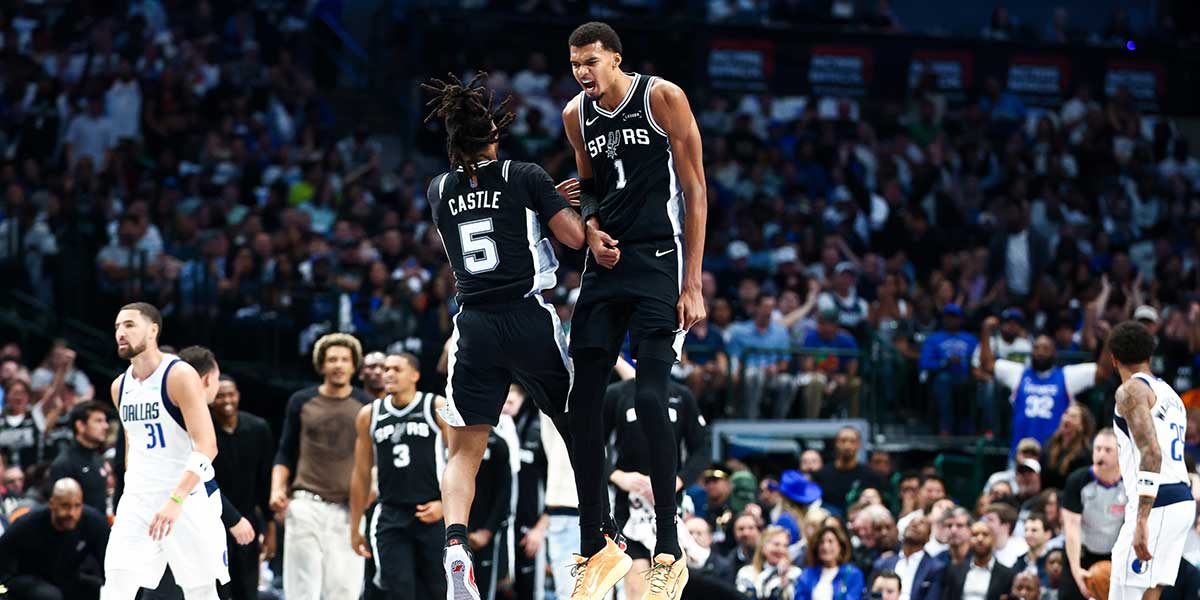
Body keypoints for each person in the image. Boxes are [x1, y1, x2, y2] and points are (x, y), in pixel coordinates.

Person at [419, 70, 591, 600]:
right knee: (576, 425)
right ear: (496, 136)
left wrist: (537, 205)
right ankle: (600, 536)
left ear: (453, 146)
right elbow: (575, 240)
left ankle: (454, 545)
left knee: (464, 453)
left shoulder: (439, 188)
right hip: (526, 315)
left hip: (472, 322)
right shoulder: (525, 174)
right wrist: (556, 204)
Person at [562, 20, 708, 599]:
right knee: (583, 404)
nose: (582, 73)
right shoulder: (576, 114)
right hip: (606, 263)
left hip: (658, 258)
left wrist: (692, 282)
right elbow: (591, 189)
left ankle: (669, 546)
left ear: (616, 59)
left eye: (591, 62)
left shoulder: (662, 97)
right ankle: (598, 544)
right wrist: (591, 230)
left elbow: (695, 188)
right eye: (575, 64)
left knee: (651, 395)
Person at [101, 302, 228, 599]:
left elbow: (207, 445)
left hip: (184, 499)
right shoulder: (119, 386)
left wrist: (175, 498)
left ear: (153, 330)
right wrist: (131, 493)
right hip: (138, 500)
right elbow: (133, 445)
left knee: (201, 591)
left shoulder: (179, 374)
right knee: (116, 584)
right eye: (118, 326)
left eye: (130, 325)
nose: (121, 332)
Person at [270, 333, 372, 600]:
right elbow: (285, 451)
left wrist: (371, 489)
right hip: (306, 504)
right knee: (301, 590)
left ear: (354, 365)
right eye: (332, 359)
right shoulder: (301, 401)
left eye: (344, 360)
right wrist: (277, 489)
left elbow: (375, 459)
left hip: (350, 510)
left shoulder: (367, 405)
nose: (338, 365)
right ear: (321, 365)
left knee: (345, 591)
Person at [349, 352, 450, 600]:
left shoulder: (436, 406)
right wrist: (355, 527)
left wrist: (445, 505)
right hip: (391, 514)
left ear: (415, 375)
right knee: (396, 591)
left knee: (439, 590)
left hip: (433, 511)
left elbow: (459, 462)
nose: (388, 374)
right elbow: (361, 473)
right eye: (385, 369)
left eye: (396, 369)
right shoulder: (369, 415)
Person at [1106, 321, 1195, 600]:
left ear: (1113, 358)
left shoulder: (1130, 391)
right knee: (1148, 594)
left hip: (1157, 501)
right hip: (1179, 499)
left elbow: (1152, 452)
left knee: (1122, 593)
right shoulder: (1172, 395)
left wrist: (1141, 519)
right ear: (1149, 355)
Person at [604, 376, 708, 599]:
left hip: (668, 504)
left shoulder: (681, 395)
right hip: (629, 505)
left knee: (667, 584)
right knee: (635, 584)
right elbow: (589, 445)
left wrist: (679, 480)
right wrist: (616, 475)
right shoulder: (618, 393)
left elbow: (702, 449)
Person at [978, 316, 1111, 457]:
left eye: (1046, 348)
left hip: (1052, 457)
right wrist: (985, 332)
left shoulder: (1066, 376)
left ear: (1054, 353)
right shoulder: (1018, 373)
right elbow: (987, 365)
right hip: (1020, 454)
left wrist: (1109, 338)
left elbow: (1103, 372)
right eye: (1037, 348)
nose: (1040, 352)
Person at [204, 371, 275, 600]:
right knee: (217, 589)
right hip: (212, 520)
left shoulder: (258, 428)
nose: (226, 401)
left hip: (248, 520)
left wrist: (270, 526)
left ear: (238, 396)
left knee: (247, 589)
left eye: (230, 395)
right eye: (220, 396)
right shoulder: (203, 430)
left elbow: (265, 481)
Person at [0, 478, 109, 600]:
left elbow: (109, 563)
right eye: (65, 506)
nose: (71, 513)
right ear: (52, 504)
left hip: (66, 577)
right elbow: (4, 555)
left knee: (100, 590)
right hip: (29, 578)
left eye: (77, 506)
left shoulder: (94, 522)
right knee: (50, 595)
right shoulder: (28, 523)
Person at [1060, 429, 1124, 600]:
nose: (1101, 454)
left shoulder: (1130, 483)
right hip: (1081, 553)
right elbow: (1072, 528)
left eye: (1108, 450)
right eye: (1097, 449)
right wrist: (1075, 569)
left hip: (1115, 555)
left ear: (1121, 452)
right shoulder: (1077, 480)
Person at [49, 400, 111, 515]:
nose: (106, 426)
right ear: (80, 426)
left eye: (105, 421)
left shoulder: (98, 459)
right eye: (98, 421)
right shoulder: (64, 463)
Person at [870, 515, 945, 600]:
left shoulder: (935, 568)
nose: (914, 525)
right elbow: (869, 595)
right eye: (911, 523)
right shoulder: (883, 563)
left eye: (921, 523)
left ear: (928, 538)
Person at [814, 427, 883, 514]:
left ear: (859, 444)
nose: (847, 446)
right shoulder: (822, 475)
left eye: (852, 441)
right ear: (836, 443)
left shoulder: (870, 476)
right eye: (843, 441)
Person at [941, 521, 1016, 600]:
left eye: (985, 534)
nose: (980, 539)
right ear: (969, 540)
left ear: (993, 539)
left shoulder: (1007, 575)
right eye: (975, 535)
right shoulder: (954, 571)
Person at [794, 525, 865, 600]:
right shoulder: (807, 575)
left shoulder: (853, 574)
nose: (825, 546)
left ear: (840, 546)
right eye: (821, 542)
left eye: (830, 541)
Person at [1040, 403, 1096, 491]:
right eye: (1066, 414)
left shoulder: (1085, 454)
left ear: (1081, 426)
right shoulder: (1049, 444)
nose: (1066, 419)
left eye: (1073, 417)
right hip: (1044, 497)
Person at [736, 525, 800, 600]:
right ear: (763, 546)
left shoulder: (796, 574)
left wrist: (783, 579)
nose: (781, 550)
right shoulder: (747, 573)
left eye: (785, 546)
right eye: (776, 544)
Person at [0, 379, 43, 468]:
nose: (19, 397)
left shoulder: (36, 416)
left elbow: (53, 395)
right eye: (15, 393)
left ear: (28, 397)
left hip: (32, 475)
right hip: (7, 476)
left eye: (23, 393)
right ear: (7, 396)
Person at [982, 504, 1027, 569]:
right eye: (985, 520)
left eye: (990, 520)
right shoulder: (983, 548)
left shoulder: (1021, 549)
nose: (985, 524)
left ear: (1006, 525)